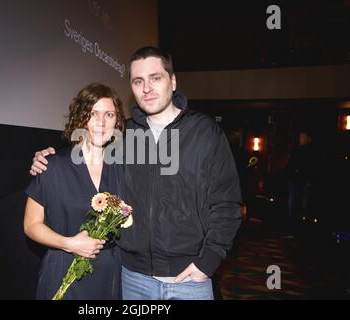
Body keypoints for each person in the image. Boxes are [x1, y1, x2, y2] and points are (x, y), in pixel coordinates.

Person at [30, 47, 242, 300]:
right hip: (132, 278)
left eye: (156, 78)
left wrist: (207, 262)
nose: (147, 88)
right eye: (138, 81)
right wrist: (45, 158)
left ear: (173, 81)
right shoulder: (123, 136)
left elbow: (227, 204)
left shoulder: (205, 132)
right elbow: (85, 149)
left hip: (189, 279)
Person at [23, 83, 126, 300]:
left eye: (109, 114)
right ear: (81, 118)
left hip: (109, 274)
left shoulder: (123, 168)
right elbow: (31, 225)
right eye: (93, 113)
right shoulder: (52, 165)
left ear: (117, 122)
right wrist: (69, 243)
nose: (101, 122)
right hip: (63, 269)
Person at [284, 131, 316, 238]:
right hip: (295, 181)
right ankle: (292, 231)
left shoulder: (311, 152)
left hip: (304, 182)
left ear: (309, 138)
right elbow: (291, 165)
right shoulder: (297, 150)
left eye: (303, 137)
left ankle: (300, 231)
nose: (300, 139)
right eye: (300, 137)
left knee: (303, 206)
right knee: (293, 206)